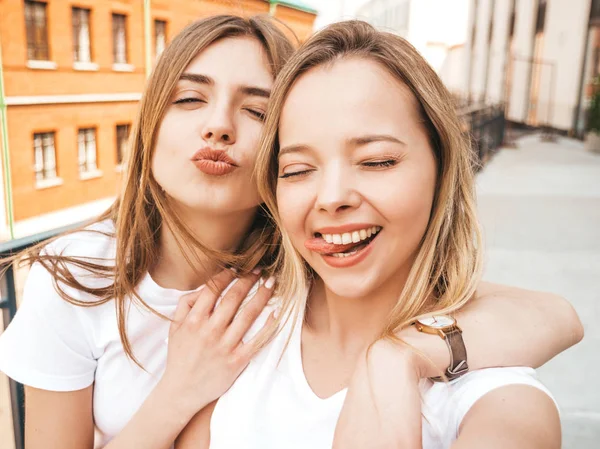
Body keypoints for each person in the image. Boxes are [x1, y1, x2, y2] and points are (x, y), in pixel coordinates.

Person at [175, 20, 579, 449]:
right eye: (297, 170)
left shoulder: (500, 401)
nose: (330, 198)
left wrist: (392, 361)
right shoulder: (232, 329)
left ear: (441, 169)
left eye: (377, 161)